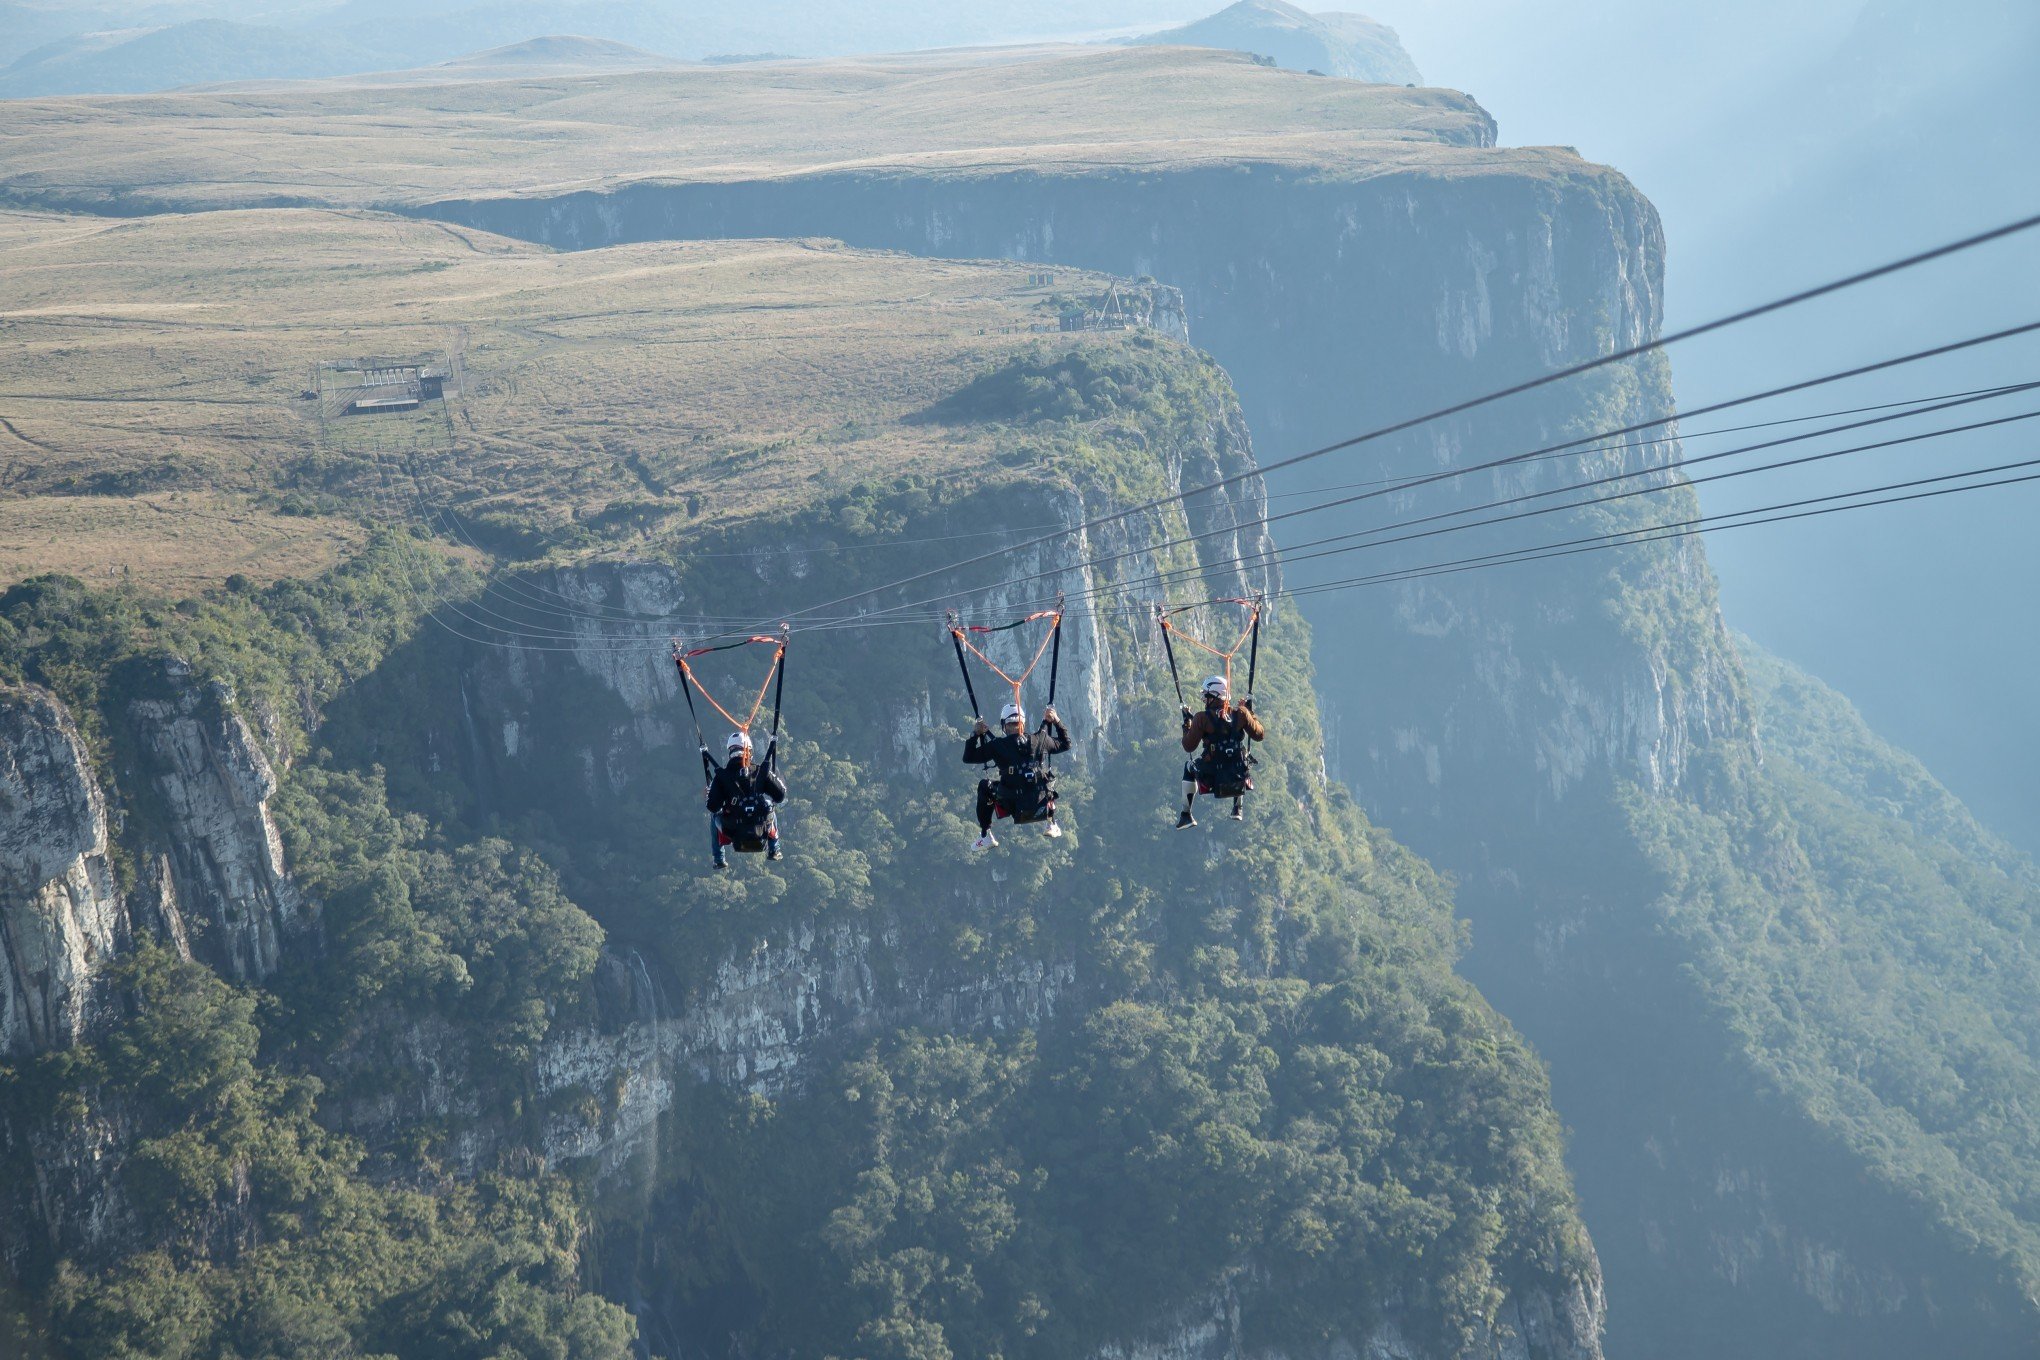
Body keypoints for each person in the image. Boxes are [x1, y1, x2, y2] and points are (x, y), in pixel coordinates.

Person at [962, 700, 1072, 850]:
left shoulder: (997, 746)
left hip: (1011, 804)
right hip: (1038, 801)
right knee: (1046, 779)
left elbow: (968, 757)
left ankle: (985, 835)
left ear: (1004, 725)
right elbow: (1066, 743)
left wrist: (975, 734)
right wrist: (1056, 720)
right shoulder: (1041, 739)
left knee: (984, 786)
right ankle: (1051, 822)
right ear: (1023, 723)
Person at [1178, 674, 1264, 827]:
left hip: (1211, 774)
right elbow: (1259, 734)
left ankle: (1186, 814)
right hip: (1237, 774)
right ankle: (1237, 808)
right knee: (1240, 757)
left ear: (1215, 696)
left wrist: (1187, 725)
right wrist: (1251, 714)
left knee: (1189, 767)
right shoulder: (1241, 714)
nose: (1204, 700)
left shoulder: (1201, 718)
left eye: (1206, 696)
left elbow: (1188, 746)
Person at [706, 730, 787, 869]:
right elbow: (780, 796)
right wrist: (770, 777)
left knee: (715, 816)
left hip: (733, 831)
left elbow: (713, 806)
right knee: (770, 807)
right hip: (760, 829)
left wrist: (713, 793)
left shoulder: (722, 777)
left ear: (730, 751)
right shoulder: (760, 772)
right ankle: (774, 849)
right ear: (749, 750)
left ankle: (719, 858)